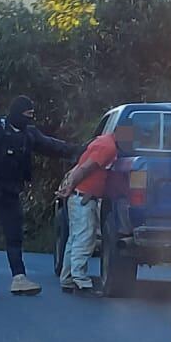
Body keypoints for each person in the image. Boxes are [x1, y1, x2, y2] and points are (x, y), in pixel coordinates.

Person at [0, 95, 80, 296]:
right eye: (27, 115)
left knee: (14, 235)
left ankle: (19, 278)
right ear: (16, 113)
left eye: (32, 115)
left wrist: (79, 150)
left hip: (11, 190)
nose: (30, 119)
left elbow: (52, 146)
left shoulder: (28, 134)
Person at [55, 125, 129, 294]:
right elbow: (85, 168)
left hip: (79, 196)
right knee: (84, 239)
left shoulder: (103, 141)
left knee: (74, 239)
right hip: (83, 197)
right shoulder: (107, 147)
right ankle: (80, 281)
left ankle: (67, 279)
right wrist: (70, 186)